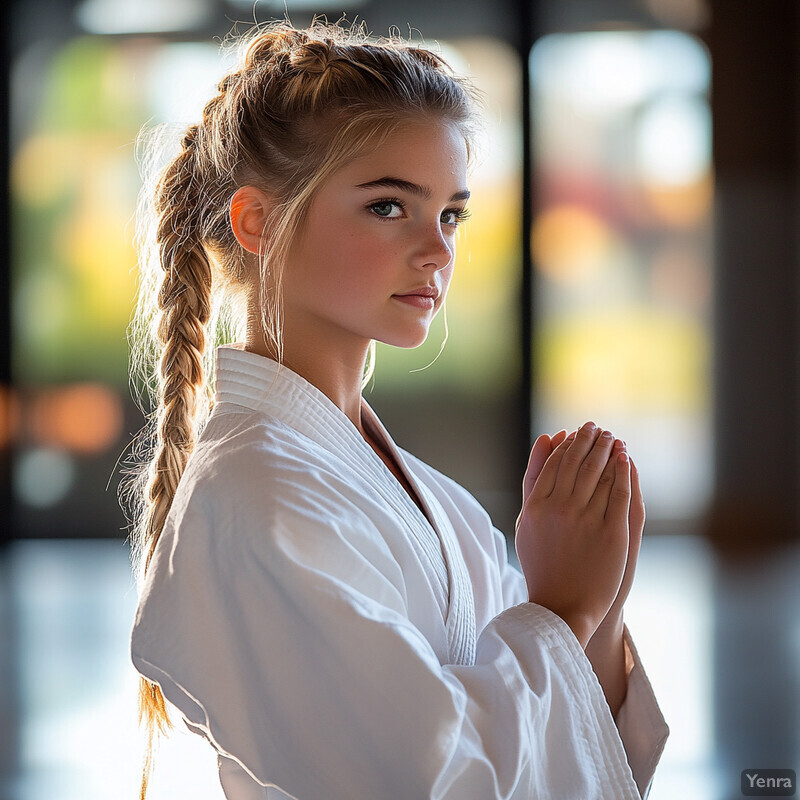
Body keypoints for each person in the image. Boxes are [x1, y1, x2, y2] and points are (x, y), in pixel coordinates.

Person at [127, 19, 668, 800]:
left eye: (451, 214)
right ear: (258, 223)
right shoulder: (254, 500)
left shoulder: (425, 496)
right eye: (390, 207)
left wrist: (599, 611)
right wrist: (560, 610)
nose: (438, 250)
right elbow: (421, 780)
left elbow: (574, 743)